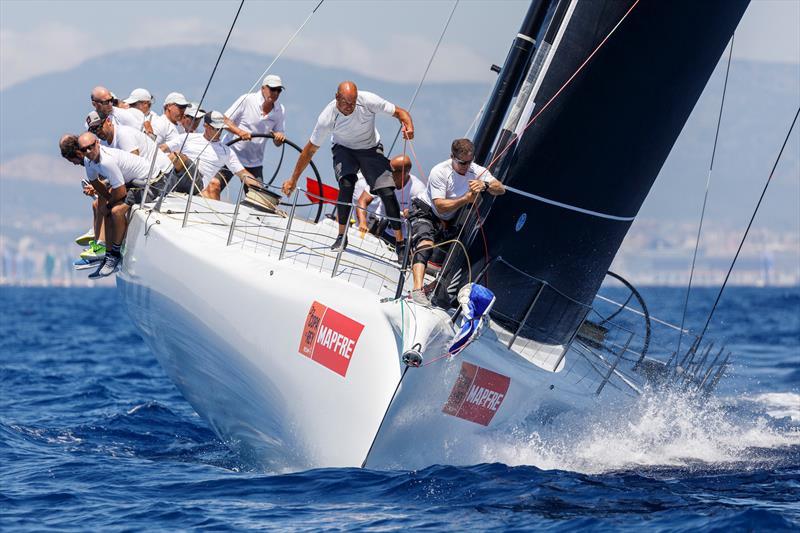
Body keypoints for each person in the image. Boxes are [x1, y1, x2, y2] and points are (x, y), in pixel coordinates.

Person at [281, 81, 414, 260]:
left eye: (353, 103)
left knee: (387, 192)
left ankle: (400, 244)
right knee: (346, 183)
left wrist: (409, 127)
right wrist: (293, 179)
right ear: (337, 98)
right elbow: (310, 150)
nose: (350, 107)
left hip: (371, 148)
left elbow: (400, 113)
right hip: (344, 149)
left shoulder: (368, 101)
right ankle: (341, 236)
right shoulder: (327, 117)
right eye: (346, 103)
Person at [408, 138, 505, 305]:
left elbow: (501, 189)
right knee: (425, 243)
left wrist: (486, 185)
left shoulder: (476, 170)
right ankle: (417, 290)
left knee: (459, 253)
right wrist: (466, 199)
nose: (466, 166)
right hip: (427, 211)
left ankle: (431, 288)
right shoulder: (440, 171)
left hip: (447, 222)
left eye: (469, 161)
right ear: (452, 156)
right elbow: (440, 206)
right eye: (462, 162)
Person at [77, 132, 164, 278]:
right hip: (133, 182)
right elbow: (95, 182)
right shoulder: (88, 160)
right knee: (103, 207)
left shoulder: (106, 161)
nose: (88, 152)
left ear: (97, 143)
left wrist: (108, 204)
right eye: (84, 149)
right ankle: (107, 255)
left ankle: (114, 255)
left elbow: (121, 192)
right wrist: (104, 200)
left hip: (152, 183)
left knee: (116, 211)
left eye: (91, 147)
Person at [161, 111, 259, 199]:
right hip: (177, 178)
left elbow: (243, 174)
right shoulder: (188, 137)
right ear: (206, 126)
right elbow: (163, 148)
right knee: (175, 156)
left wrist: (261, 190)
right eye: (215, 128)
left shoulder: (226, 151)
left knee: (215, 183)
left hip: (198, 186)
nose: (219, 132)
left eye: (221, 129)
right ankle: (156, 184)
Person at [216, 74, 287, 194]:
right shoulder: (248, 100)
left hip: (254, 162)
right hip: (231, 155)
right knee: (214, 186)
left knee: (258, 198)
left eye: (278, 90)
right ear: (263, 88)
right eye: (272, 89)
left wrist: (279, 138)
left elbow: (277, 142)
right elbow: (223, 120)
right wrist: (240, 132)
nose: (275, 93)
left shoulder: (280, 110)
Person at [59, 134, 106, 268]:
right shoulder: (88, 161)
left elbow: (114, 177)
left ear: (78, 153)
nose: (74, 164)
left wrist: (98, 187)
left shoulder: (94, 158)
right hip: (114, 187)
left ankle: (101, 247)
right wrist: (96, 188)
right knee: (96, 203)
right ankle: (97, 240)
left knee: (99, 204)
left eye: (72, 160)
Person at [356, 154, 425, 243]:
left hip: (401, 236)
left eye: (391, 170)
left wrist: (411, 213)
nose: (387, 173)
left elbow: (423, 216)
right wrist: (362, 222)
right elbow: (363, 200)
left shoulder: (418, 190)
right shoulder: (382, 178)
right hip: (378, 225)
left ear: (403, 173)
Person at [87, 111, 174, 181]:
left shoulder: (123, 134)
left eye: (99, 127)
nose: (97, 132)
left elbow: (132, 165)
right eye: (93, 130)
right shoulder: (102, 143)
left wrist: (107, 183)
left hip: (163, 175)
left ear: (108, 121)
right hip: (145, 178)